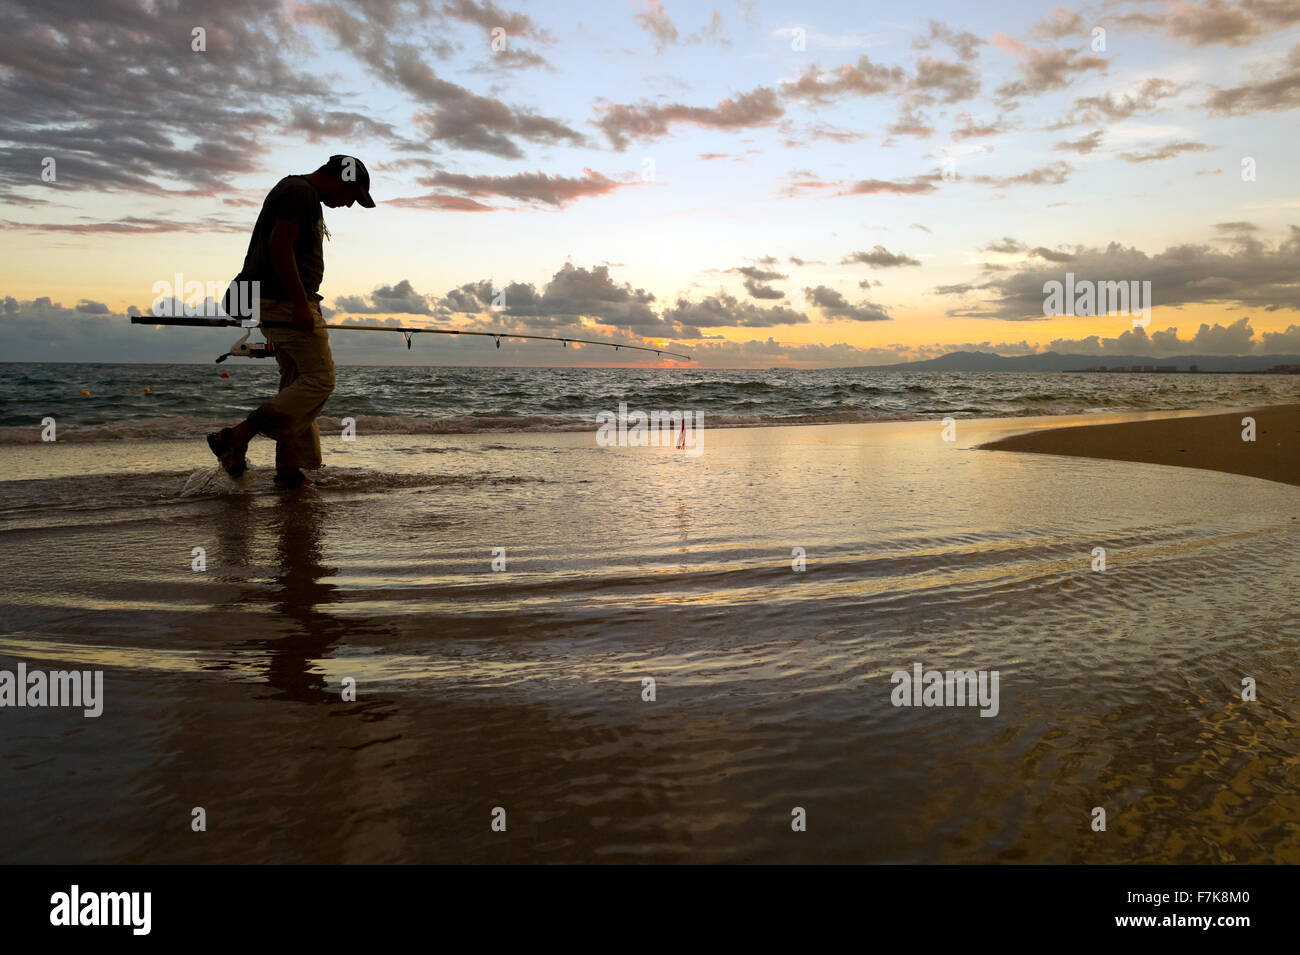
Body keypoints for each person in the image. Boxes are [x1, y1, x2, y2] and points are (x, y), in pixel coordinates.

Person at [207, 155, 375, 489]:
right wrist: (299, 303)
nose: (349, 204)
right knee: (319, 380)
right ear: (342, 180)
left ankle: (288, 469)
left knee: (296, 380)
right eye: (352, 196)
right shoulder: (301, 193)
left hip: (275, 301)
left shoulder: (296, 190)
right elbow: (280, 247)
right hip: (285, 301)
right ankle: (235, 437)